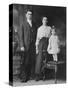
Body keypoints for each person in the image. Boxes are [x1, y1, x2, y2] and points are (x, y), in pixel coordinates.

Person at [19, 9, 37, 82]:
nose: (30, 15)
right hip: (26, 46)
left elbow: (36, 35)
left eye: (31, 14)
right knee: (25, 62)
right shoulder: (23, 24)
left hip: (33, 46)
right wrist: (22, 45)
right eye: (28, 14)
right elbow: (20, 36)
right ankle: (24, 77)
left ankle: (30, 76)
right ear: (26, 15)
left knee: (32, 61)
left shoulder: (34, 24)